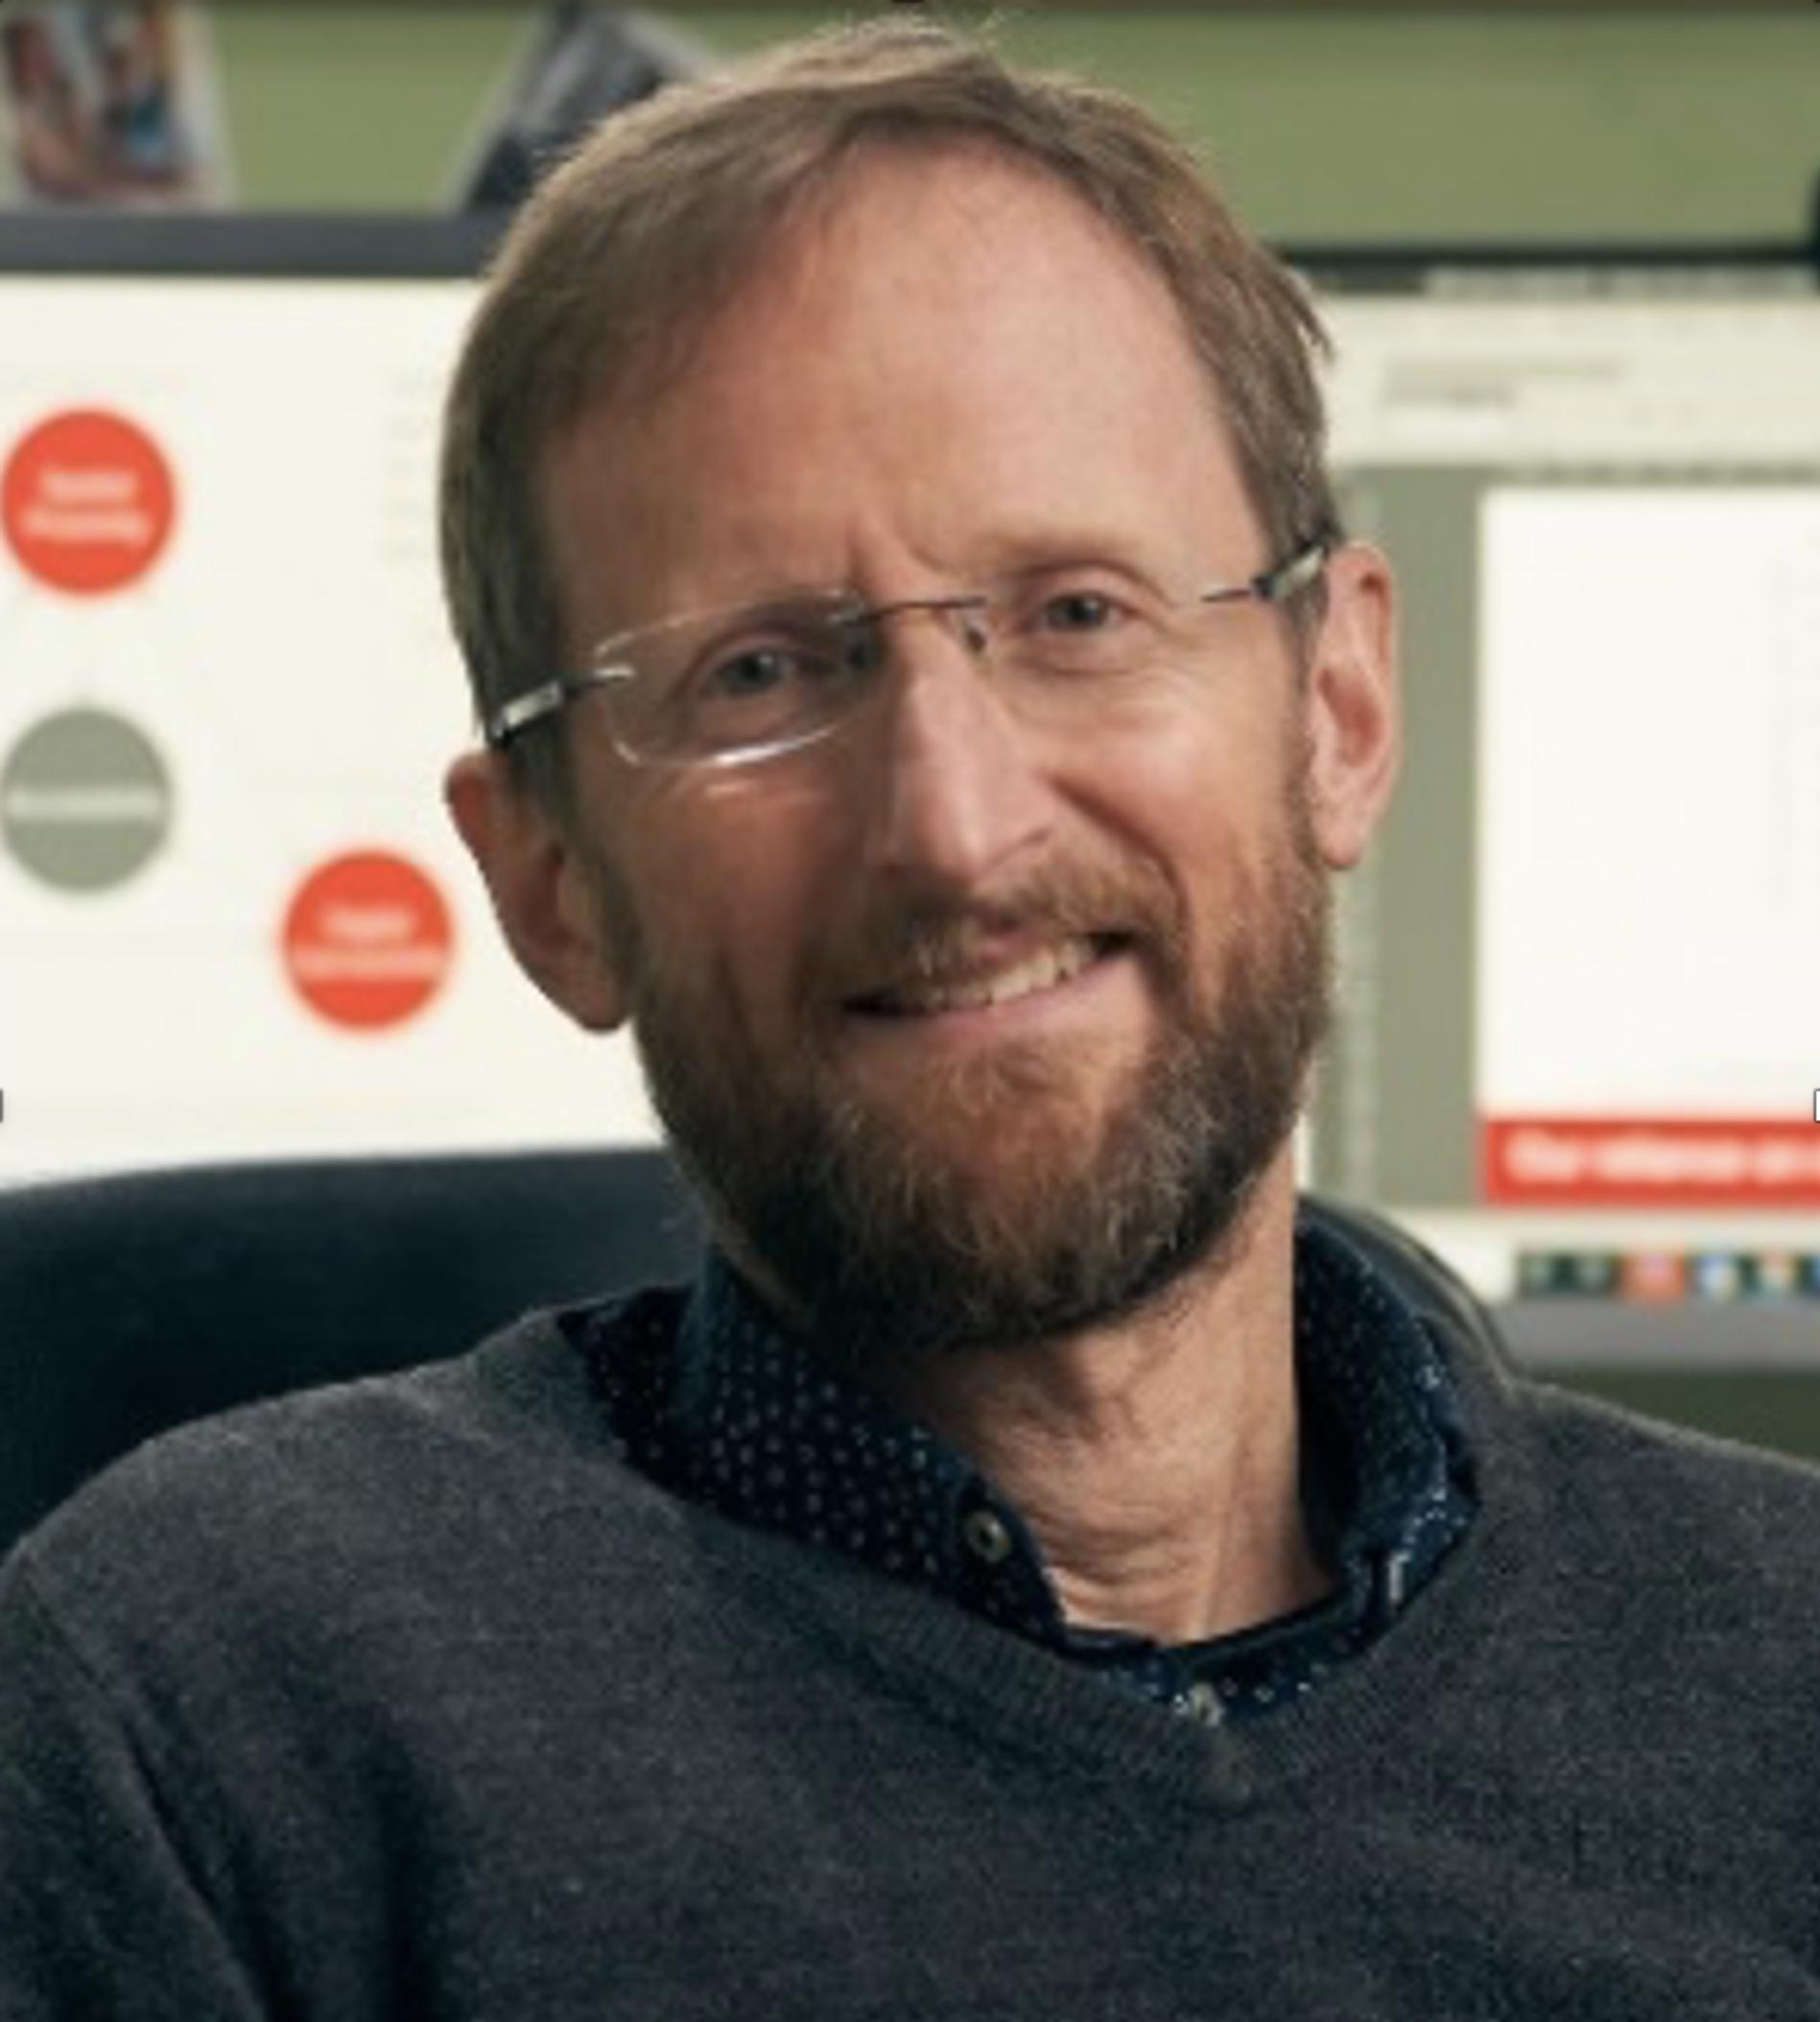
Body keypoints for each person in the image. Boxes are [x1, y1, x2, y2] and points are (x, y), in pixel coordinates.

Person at [5, 20, 1820, 2018]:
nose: (957, 831)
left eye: (1076, 614)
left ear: (1337, 709)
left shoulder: (1783, 1672)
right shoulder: (210, 1727)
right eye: (761, 672)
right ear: (548, 879)